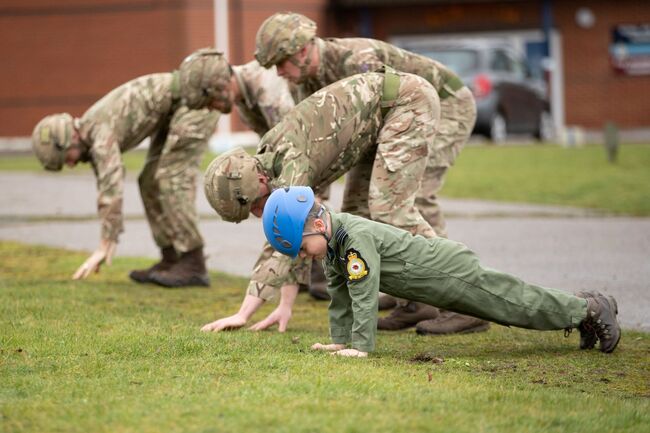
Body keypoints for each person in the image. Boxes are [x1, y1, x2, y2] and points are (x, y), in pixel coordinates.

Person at [254, 12, 483, 333]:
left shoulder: (357, 60)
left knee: (403, 199)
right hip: (382, 125)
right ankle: (415, 301)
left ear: (304, 50)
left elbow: (397, 107)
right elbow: (320, 147)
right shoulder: (302, 84)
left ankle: (463, 300)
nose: (280, 72)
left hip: (444, 105)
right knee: (356, 211)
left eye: (282, 62)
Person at [200, 68, 442, 333]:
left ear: (259, 182)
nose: (260, 214)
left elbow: (283, 241)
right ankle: (415, 305)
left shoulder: (289, 159)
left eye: (255, 206)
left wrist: (243, 314)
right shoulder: (268, 165)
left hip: (404, 102)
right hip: (375, 124)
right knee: (354, 220)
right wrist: (285, 306)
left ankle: (457, 295)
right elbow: (295, 241)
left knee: (389, 210)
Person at [262, 186, 622, 357]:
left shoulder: (353, 239)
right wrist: (340, 341)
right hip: (438, 283)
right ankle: (583, 309)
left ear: (317, 226)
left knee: (516, 306)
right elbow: (339, 297)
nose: (306, 257)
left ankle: (590, 309)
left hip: (450, 273)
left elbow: (363, 294)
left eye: (303, 248)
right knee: (515, 304)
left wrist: (362, 348)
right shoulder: (334, 244)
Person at [32, 71, 219, 287]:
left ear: (71, 138)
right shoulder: (91, 134)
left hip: (195, 103)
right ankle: (171, 259)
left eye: (67, 158)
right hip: (173, 111)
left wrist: (105, 244)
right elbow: (105, 185)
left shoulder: (99, 134)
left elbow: (111, 188)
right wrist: (110, 235)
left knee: (170, 178)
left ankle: (193, 263)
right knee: (148, 181)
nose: (71, 164)